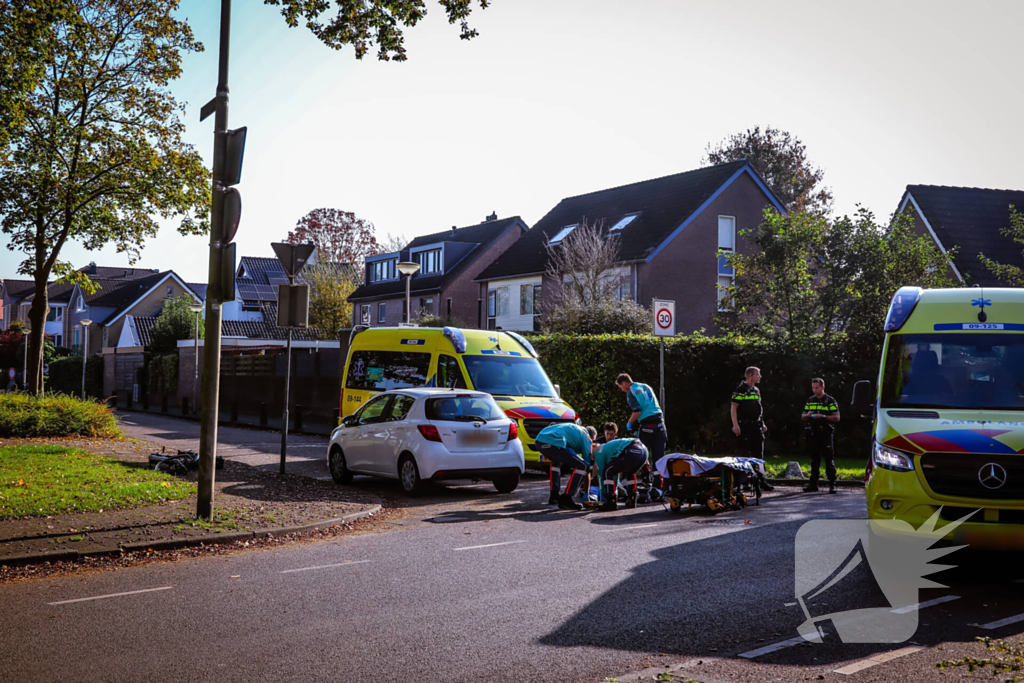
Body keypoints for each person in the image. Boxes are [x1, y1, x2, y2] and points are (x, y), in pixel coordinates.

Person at [615, 373, 667, 503]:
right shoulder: (646, 386)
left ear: (625, 383)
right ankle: (658, 487)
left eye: (620, 386)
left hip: (647, 424)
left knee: (641, 454)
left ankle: (645, 481)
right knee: (658, 457)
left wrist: (629, 423)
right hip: (660, 424)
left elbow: (637, 411)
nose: (621, 389)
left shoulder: (631, 392)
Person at [730, 366, 774, 491]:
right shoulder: (740, 390)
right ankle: (744, 482)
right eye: (758, 374)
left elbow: (759, 409)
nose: (760, 377)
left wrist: (763, 423)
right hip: (744, 426)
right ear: (750, 376)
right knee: (743, 454)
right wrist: (735, 425)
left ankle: (761, 480)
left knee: (758, 454)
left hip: (756, 425)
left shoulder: (756, 390)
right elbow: (734, 408)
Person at [536, 422, 594, 511]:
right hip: (554, 441)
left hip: (540, 441)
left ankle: (554, 495)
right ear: (592, 438)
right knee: (584, 466)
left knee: (557, 462)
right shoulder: (587, 437)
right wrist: (586, 494)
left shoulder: (575, 429)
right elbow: (587, 468)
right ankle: (567, 498)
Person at [802, 377, 840, 493]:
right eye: (813, 388)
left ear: (823, 387)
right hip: (813, 433)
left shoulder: (830, 401)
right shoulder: (810, 400)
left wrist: (823, 416)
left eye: (817, 388)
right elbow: (802, 417)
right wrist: (807, 415)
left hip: (826, 433)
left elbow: (837, 417)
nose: (815, 390)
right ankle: (813, 484)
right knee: (814, 460)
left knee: (829, 460)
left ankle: (832, 484)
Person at [593, 437, 648, 512]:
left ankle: (610, 502)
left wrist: (603, 496)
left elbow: (601, 473)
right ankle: (632, 498)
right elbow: (615, 471)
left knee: (607, 472)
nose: (592, 458)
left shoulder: (599, 451)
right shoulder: (609, 448)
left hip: (631, 450)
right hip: (643, 451)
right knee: (630, 471)